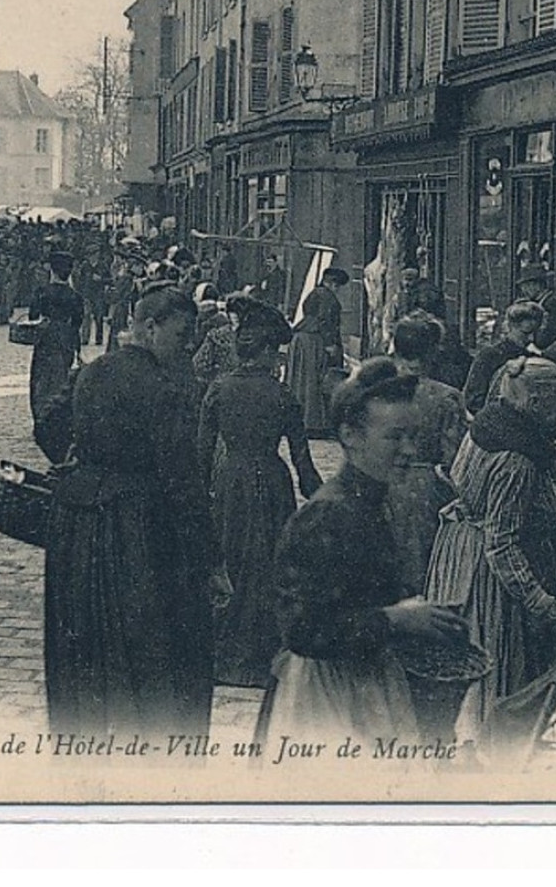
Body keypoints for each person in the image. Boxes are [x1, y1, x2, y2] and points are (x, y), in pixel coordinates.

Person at [261, 358, 468, 744]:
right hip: (325, 700)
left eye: (412, 436)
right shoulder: (328, 514)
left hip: (365, 683)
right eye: (394, 437)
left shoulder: (371, 502)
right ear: (350, 436)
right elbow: (302, 631)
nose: (408, 450)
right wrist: (396, 620)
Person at [44, 284, 215, 736]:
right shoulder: (166, 390)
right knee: (145, 643)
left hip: (78, 531)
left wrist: (84, 458)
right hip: (137, 530)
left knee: (86, 642)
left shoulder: (90, 372)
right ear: (150, 328)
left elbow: (47, 428)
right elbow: (184, 481)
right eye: (182, 336)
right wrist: (209, 560)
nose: (189, 347)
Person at [434, 356, 556, 760]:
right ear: (536, 404)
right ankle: (490, 760)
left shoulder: (486, 426)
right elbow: (502, 543)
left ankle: (467, 746)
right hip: (490, 578)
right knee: (500, 670)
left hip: (460, 556)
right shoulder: (517, 460)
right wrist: (541, 602)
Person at [198, 300, 323, 688]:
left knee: (232, 562)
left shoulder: (219, 390)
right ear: (268, 352)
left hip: (230, 481)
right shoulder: (283, 395)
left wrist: (201, 497)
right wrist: (322, 498)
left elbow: (201, 455)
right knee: (269, 564)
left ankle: (227, 654)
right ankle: (263, 655)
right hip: (272, 482)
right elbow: (303, 463)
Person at [387, 313, 468, 593]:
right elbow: (454, 459)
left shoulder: (376, 390)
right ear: (433, 351)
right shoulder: (447, 398)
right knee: (425, 571)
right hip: (426, 491)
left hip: (378, 485)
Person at [27, 251, 86, 464]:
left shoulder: (42, 292)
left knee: (40, 378)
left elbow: (33, 314)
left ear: (52, 270)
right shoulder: (75, 296)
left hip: (45, 336)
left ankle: (40, 418)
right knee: (61, 378)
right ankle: (56, 419)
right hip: (66, 339)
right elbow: (78, 321)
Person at [286, 266, 348, 439]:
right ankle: (314, 423)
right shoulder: (328, 298)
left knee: (301, 381)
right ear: (332, 283)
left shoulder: (314, 293)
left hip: (302, 339)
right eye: (337, 286)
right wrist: (330, 345)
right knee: (315, 382)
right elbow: (326, 321)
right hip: (314, 342)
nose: (338, 289)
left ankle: (301, 421)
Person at [461, 299, 545, 415]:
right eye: (525, 333)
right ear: (510, 327)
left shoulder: (536, 359)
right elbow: (473, 399)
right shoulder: (489, 356)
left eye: (535, 333)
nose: (531, 339)